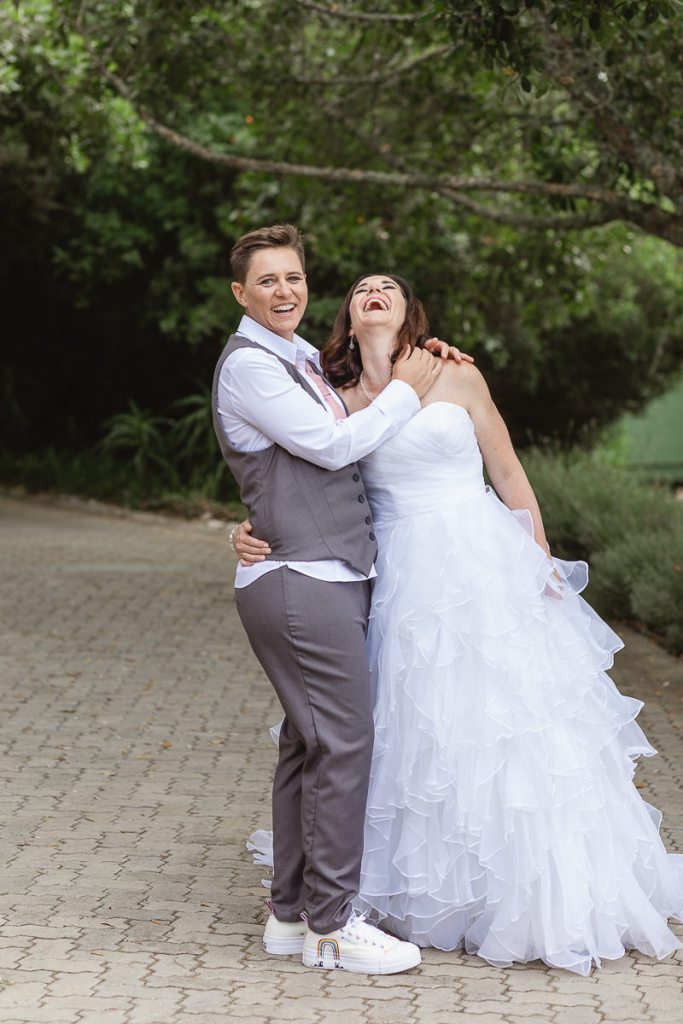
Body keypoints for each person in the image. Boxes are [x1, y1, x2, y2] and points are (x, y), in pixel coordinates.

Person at [237, 272, 683, 976]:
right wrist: (247, 530)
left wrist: (537, 559)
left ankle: (529, 888)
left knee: (506, 719)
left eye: (388, 286)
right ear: (348, 317)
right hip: (393, 574)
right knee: (412, 724)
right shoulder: (333, 394)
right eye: (361, 287)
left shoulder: (456, 374)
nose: (374, 291)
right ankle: (414, 887)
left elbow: (508, 474)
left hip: (480, 561)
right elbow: (296, 478)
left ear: (410, 311)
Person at [212, 225, 472, 975]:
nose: (284, 291)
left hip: (324, 574)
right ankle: (331, 927)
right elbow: (328, 448)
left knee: (308, 745)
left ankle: (290, 915)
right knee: (344, 744)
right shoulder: (250, 366)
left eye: (293, 277)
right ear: (240, 293)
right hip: (301, 580)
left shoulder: (297, 357)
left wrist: (418, 361)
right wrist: (408, 391)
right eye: (267, 281)